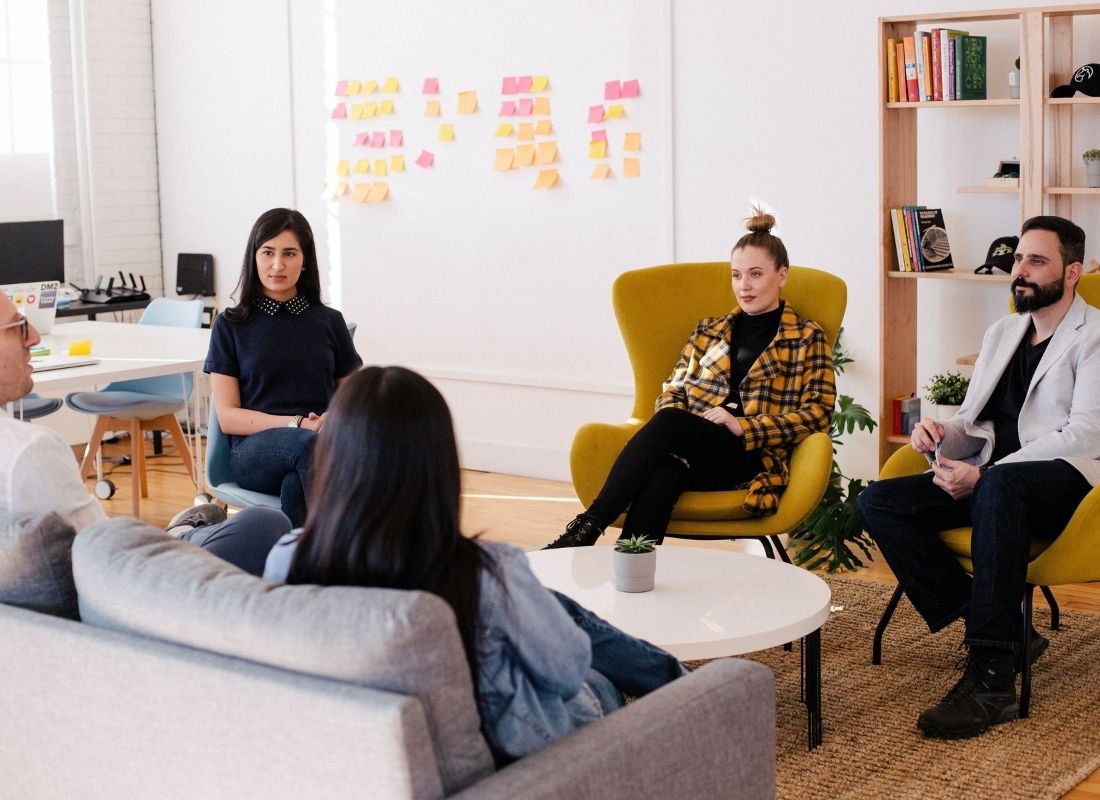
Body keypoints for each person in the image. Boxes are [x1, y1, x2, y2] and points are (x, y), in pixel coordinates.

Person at [195, 365, 686, 761]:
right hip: (522, 755)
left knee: (548, 605)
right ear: (438, 465)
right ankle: (685, 687)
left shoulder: (289, 559)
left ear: (335, 461)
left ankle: (664, 672)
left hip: (366, 754)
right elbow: (566, 668)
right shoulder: (484, 573)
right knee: (590, 666)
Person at [857, 215, 1100, 741]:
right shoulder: (1004, 332)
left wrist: (985, 474)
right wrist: (941, 433)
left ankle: (992, 678)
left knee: (999, 486)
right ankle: (1005, 628)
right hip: (995, 483)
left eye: (1037, 261)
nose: (1021, 271)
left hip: (1069, 485)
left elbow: (1084, 435)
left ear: (1073, 271)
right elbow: (977, 420)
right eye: (1018, 259)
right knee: (880, 501)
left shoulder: (1094, 335)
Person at [544, 208, 836, 549]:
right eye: (737, 275)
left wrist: (745, 426)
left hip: (750, 456)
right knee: (667, 472)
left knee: (669, 423)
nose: (744, 286)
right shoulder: (709, 330)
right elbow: (674, 389)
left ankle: (587, 527)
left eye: (755, 274)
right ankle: (631, 566)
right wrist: (692, 426)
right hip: (693, 446)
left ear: (782, 275)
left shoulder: (806, 336)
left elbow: (819, 412)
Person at [0, 289, 290, 558]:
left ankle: (179, 534)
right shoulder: (27, 452)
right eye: (18, 328)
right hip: (137, 576)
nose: (34, 338)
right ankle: (180, 536)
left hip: (113, 569)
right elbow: (104, 554)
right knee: (263, 522)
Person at [205, 208, 362, 527]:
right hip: (253, 453)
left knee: (297, 483)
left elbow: (357, 397)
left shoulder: (329, 322)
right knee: (309, 446)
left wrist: (336, 416)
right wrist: (298, 423)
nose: (278, 265)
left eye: (289, 253)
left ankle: (297, 568)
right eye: (268, 252)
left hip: (316, 448)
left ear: (305, 261)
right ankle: (354, 550)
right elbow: (228, 417)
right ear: (254, 258)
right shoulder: (230, 325)